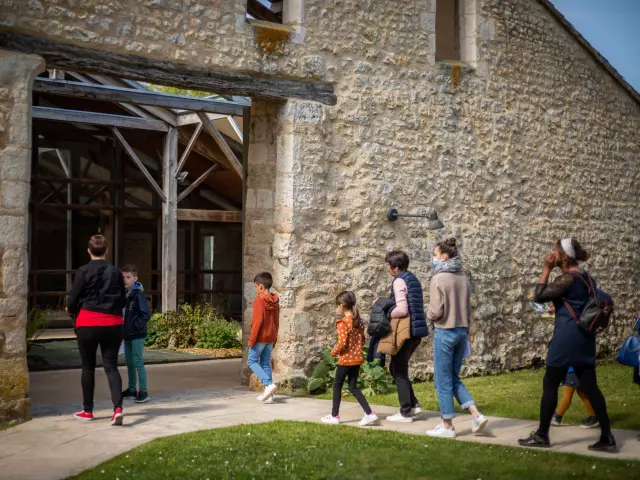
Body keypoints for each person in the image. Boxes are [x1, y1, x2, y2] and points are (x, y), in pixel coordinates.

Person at [519, 238, 616, 452]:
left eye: (555, 250)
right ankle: (607, 436)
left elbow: (539, 296)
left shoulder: (568, 278)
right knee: (590, 387)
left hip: (566, 338)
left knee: (551, 382)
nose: (551, 253)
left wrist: (546, 268)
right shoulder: (588, 278)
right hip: (585, 338)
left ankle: (542, 434)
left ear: (563, 256)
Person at [426, 238, 488, 438]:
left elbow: (436, 311)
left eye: (435, 255)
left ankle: (447, 425)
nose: (433, 259)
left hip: (445, 331)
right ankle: (476, 414)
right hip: (462, 331)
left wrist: (427, 312)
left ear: (443, 257)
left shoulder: (438, 279)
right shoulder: (463, 277)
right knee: (453, 377)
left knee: (442, 380)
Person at [67, 235, 126, 425]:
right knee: (111, 366)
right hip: (113, 323)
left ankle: (88, 410)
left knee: (88, 366)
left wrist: (72, 312)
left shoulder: (83, 271)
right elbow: (123, 299)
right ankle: (117, 408)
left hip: (88, 322)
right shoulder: (116, 272)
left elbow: (72, 299)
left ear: (89, 250)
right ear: (106, 251)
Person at [383, 250, 429, 423]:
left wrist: (386, 314)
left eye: (388, 265)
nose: (386, 267)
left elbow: (402, 309)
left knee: (399, 371)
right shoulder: (412, 278)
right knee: (395, 368)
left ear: (395, 267)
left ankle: (405, 412)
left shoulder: (399, 280)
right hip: (416, 331)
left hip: (405, 332)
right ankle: (414, 404)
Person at [321, 291, 379, 426]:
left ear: (341, 306)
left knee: (337, 385)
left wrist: (333, 352)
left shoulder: (343, 323)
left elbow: (342, 343)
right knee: (353, 387)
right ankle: (369, 413)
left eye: (337, 306)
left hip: (346, 360)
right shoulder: (358, 322)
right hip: (357, 359)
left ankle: (334, 416)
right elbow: (362, 340)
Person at [120, 265, 151, 404]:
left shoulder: (138, 295)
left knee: (137, 361)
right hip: (127, 334)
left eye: (128, 277)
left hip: (136, 334)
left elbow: (145, 315)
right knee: (129, 362)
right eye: (123, 277)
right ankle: (132, 389)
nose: (125, 280)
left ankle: (143, 391)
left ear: (135, 278)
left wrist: (134, 327)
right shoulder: (126, 295)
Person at [248, 272, 280, 403]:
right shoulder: (275, 300)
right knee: (265, 363)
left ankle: (268, 384)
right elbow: (277, 321)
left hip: (260, 337)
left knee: (251, 361)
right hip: (271, 335)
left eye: (256, 287)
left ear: (261, 287)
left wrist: (251, 339)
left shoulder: (259, 300)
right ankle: (269, 395)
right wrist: (275, 337)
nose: (256, 290)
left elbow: (258, 321)